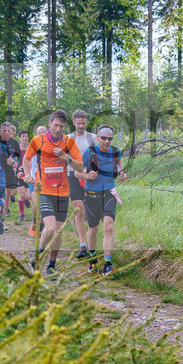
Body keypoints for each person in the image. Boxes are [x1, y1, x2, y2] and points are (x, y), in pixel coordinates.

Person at [21, 110, 85, 273]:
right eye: (55, 125)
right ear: (50, 123)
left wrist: (66, 157)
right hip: (44, 191)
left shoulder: (68, 142)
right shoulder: (38, 140)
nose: (58, 129)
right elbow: (27, 158)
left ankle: (51, 265)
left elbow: (80, 166)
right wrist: (27, 174)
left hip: (62, 192)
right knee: (49, 228)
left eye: (61, 126)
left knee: (57, 231)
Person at [82, 125, 128, 275]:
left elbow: (119, 163)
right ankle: (93, 258)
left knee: (108, 227)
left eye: (110, 138)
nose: (107, 141)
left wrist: (121, 171)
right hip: (91, 194)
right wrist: (87, 176)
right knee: (93, 229)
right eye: (104, 138)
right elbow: (78, 172)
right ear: (97, 137)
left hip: (109, 193)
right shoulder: (89, 152)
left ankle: (107, 264)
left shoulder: (115, 151)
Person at [68, 110, 98, 260]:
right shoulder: (68, 138)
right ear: (73, 122)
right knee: (79, 211)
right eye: (78, 123)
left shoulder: (92, 137)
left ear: (86, 123)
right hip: (72, 176)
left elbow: (99, 154)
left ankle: (80, 229)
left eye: (83, 123)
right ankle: (82, 246)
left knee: (86, 214)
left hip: (89, 177)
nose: (80, 126)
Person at [0, 122, 22, 222]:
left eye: (9, 131)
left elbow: (19, 156)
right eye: (4, 130)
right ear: (1, 131)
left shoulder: (14, 143)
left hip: (9, 172)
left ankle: (2, 219)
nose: (6, 132)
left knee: (8, 196)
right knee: (1, 195)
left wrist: (15, 162)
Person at [15, 129, 32, 223]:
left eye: (26, 136)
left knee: (28, 196)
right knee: (21, 194)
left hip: (29, 174)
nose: (25, 138)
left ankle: (26, 200)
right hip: (19, 174)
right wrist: (17, 171)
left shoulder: (31, 148)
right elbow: (14, 161)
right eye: (23, 136)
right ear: (20, 138)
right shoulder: (17, 149)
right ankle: (22, 214)